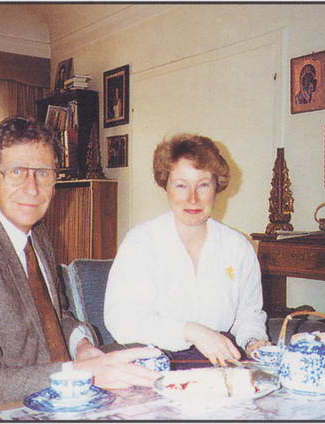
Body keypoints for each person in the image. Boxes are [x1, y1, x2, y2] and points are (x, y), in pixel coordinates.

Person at [0, 116, 159, 419]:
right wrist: (83, 372)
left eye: (43, 173)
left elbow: (54, 315)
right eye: (17, 172)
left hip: (60, 400)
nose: (32, 189)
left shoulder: (38, 234)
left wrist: (83, 347)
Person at [104, 133, 270, 368]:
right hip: (155, 366)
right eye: (181, 185)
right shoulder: (141, 242)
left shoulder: (238, 247)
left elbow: (249, 314)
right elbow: (122, 321)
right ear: (166, 186)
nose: (193, 198)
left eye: (203, 185)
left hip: (221, 364)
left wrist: (254, 341)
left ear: (217, 187)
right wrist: (191, 331)